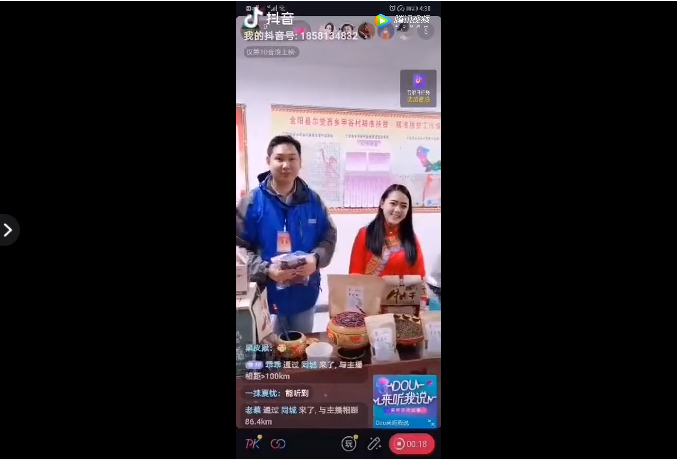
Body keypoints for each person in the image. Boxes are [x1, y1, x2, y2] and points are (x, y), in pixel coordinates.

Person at [236, 135, 337, 335]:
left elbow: (329, 236)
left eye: (292, 159)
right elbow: (239, 247)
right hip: (265, 295)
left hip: (304, 294)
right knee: (269, 349)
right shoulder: (252, 202)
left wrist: (316, 259)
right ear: (268, 161)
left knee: (301, 346)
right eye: (279, 158)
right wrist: (266, 269)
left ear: (300, 162)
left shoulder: (313, 201)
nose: (286, 165)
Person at [349, 184, 426, 279]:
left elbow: (419, 277)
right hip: (369, 289)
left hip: (401, 289)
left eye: (403, 206)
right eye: (393, 203)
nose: (397, 210)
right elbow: (355, 276)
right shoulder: (365, 234)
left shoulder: (411, 238)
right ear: (382, 203)